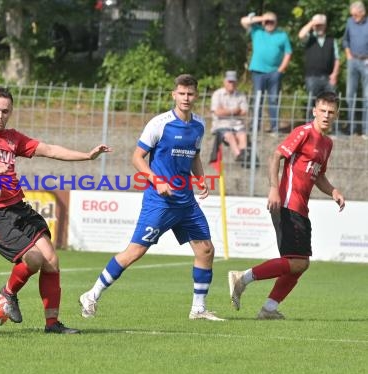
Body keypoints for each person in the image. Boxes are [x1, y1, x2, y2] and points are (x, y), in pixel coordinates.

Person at [0, 86, 112, 334]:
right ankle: (8, 293)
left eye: (6, 111)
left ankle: (52, 324)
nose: (0, 115)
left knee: (51, 259)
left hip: (17, 207)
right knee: (34, 258)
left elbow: (50, 150)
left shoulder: (12, 137)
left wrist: (87, 156)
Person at [79, 74, 224, 322]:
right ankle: (91, 295)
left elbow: (195, 156)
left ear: (196, 95)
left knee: (206, 250)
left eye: (190, 94)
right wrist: (157, 180)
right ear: (174, 95)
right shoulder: (159, 124)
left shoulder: (199, 125)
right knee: (134, 252)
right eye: (182, 93)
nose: (186, 98)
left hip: (186, 202)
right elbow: (137, 158)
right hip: (160, 202)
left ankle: (198, 309)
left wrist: (200, 179)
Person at [228, 92, 345, 320]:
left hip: (301, 208)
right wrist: (274, 188)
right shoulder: (303, 132)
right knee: (296, 262)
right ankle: (242, 278)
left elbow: (318, 175)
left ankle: (269, 309)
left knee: (300, 264)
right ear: (314, 111)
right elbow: (275, 156)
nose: (326, 115)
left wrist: (333, 191)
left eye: (331, 112)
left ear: (336, 115)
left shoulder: (327, 143)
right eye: (323, 110)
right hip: (287, 203)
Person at [241, 11, 292, 133]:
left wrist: (281, 70)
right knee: (257, 99)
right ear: (263, 22)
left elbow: (288, 53)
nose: (269, 24)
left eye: (272, 21)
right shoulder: (256, 30)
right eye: (267, 22)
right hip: (257, 72)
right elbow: (243, 21)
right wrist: (262, 18)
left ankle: (275, 128)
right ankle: (255, 127)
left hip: (274, 72)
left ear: (276, 22)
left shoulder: (282, 35)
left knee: (273, 100)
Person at [298, 14, 340, 120]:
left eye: (321, 25)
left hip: (328, 77)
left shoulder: (331, 40)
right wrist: (313, 22)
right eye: (317, 25)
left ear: (325, 26)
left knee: (331, 103)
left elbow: (337, 59)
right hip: (311, 77)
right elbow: (301, 35)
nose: (319, 27)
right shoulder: (309, 38)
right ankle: (310, 127)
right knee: (312, 102)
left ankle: (331, 128)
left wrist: (334, 74)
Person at [210, 70, 249, 163]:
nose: (231, 83)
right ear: (225, 81)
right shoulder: (217, 94)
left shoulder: (241, 95)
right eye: (229, 81)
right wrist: (234, 111)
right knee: (229, 135)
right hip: (221, 124)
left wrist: (225, 111)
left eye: (233, 81)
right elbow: (217, 112)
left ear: (236, 82)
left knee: (242, 135)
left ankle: (243, 154)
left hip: (237, 124)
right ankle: (238, 154)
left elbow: (244, 112)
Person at [342, 1, 368, 136]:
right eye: (352, 15)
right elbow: (345, 40)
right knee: (349, 95)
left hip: (366, 62)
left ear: (363, 13)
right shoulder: (349, 22)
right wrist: (348, 54)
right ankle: (350, 128)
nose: (354, 17)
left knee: (367, 97)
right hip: (352, 60)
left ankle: (366, 130)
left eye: (356, 15)